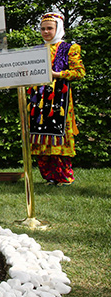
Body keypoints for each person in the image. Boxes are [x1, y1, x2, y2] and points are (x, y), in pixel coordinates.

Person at [28, 12, 85, 186]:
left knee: (59, 136)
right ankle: (49, 176)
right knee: (40, 137)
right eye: (43, 28)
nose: (45, 32)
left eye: (49, 28)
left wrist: (57, 74)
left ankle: (64, 177)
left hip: (59, 99)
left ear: (58, 28)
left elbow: (79, 72)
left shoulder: (69, 48)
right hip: (38, 100)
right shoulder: (36, 50)